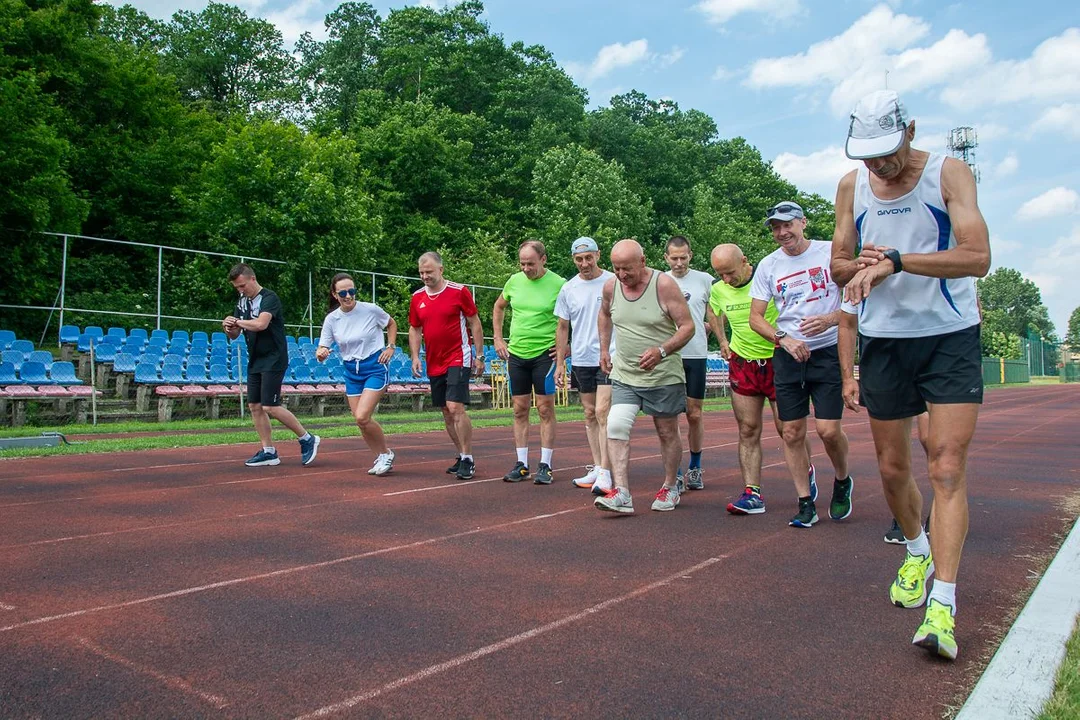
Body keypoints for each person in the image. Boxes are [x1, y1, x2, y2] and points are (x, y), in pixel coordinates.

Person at [832, 89, 990, 660]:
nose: (879, 165)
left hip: (948, 336)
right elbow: (837, 263)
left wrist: (898, 261)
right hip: (885, 342)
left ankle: (942, 606)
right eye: (868, 155)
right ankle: (917, 550)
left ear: (912, 130)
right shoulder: (852, 186)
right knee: (894, 468)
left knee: (945, 464)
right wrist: (859, 266)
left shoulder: (949, 173)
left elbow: (977, 257)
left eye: (888, 152)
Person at [749, 201, 855, 528]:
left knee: (827, 430)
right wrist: (784, 338)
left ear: (803, 223)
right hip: (789, 354)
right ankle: (805, 502)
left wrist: (828, 320)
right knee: (792, 432)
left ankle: (841, 480)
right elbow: (756, 318)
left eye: (787, 225)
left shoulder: (830, 253)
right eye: (775, 228)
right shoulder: (768, 265)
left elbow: (856, 303)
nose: (782, 233)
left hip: (828, 352)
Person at [708, 244, 814, 515]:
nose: (726, 280)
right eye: (720, 274)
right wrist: (722, 339)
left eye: (730, 273)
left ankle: (806, 473)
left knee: (788, 431)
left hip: (778, 361)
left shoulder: (767, 277)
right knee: (747, 429)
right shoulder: (719, 289)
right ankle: (752, 493)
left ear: (745, 261)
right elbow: (713, 310)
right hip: (743, 364)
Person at [594, 239, 694, 514]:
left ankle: (670, 485)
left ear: (643, 260)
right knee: (615, 425)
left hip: (663, 376)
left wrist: (662, 351)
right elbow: (604, 315)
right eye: (616, 269)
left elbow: (687, 327)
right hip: (625, 373)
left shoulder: (663, 285)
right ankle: (622, 492)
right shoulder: (611, 286)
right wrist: (604, 349)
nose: (622, 275)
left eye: (627, 269)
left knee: (666, 432)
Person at [223, 264, 319, 467]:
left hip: (274, 358)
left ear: (252, 279)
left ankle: (306, 438)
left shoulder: (269, 298)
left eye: (242, 286)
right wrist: (228, 326)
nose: (240, 290)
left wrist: (239, 322)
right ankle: (269, 451)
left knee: (270, 405)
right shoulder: (242, 302)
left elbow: (261, 324)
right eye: (237, 288)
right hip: (255, 358)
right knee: (254, 406)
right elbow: (235, 335)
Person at [492, 240, 566, 485]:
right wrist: (499, 338)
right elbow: (499, 306)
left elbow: (573, 317)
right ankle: (521, 464)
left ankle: (545, 464)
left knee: (545, 409)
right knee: (519, 409)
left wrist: (568, 346)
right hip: (517, 354)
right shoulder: (513, 281)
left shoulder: (559, 284)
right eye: (522, 263)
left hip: (545, 355)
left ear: (543, 260)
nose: (526, 268)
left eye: (531, 264)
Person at [409, 252, 485, 480]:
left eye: (429, 272)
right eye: (421, 273)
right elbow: (415, 328)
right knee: (445, 410)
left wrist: (479, 355)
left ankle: (469, 458)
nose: (425, 276)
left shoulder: (458, 291)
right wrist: (415, 356)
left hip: (458, 356)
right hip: (434, 360)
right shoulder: (417, 297)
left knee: (455, 407)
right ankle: (461, 455)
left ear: (441, 270)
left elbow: (475, 322)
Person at [316, 273, 398, 476]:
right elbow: (322, 348)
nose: (348, 296)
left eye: (351, 291)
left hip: (374, 366)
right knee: (360, 421)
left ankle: (386, 453)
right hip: (351, 371)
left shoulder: (370, 309)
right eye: (343, 293)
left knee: (363, 415)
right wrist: (321, 353)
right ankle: (380, 455)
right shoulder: (332, 319)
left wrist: (390, 347)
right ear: (335, 295)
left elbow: (391, 323)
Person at [554, 237, 615, 495]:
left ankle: (607, 473)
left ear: (598, 255)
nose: (584, 263)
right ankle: (599, 466)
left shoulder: (613, 282)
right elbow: (562, 326)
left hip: (609, 356)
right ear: (573, 260)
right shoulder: (569, 288)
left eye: (588, 257)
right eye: (579, 259)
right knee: (590, 414)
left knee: (604, 413)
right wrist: (560, 363)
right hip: (581, 358)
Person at [663, 236, 719, 491]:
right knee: (669, 415)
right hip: (669, 355)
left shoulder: (705, 280)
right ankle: (674, 470)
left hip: (695, 354)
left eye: (683, 257)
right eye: (674, 258)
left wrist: (714, 329)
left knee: (694, 414)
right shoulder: (660, 281)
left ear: (690, 255)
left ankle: (695, 467)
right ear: (666, 257)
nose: (679, 263)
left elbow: (716, 310)